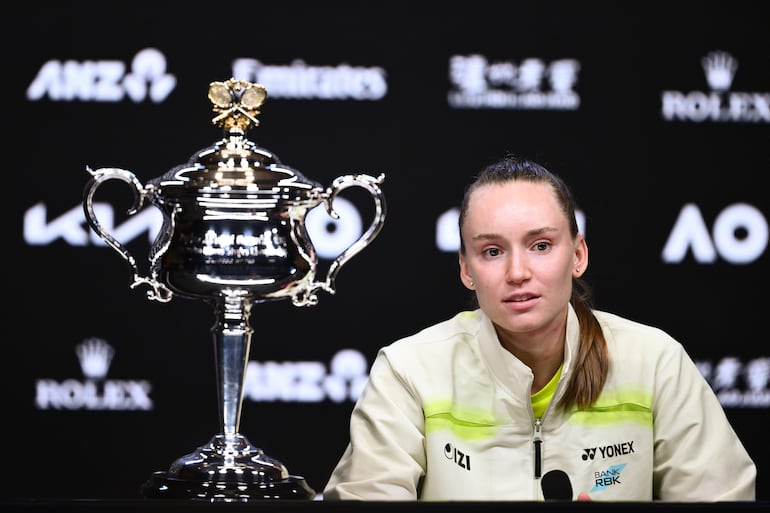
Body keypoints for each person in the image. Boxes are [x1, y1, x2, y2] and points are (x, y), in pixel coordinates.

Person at [322, 155, 756, 501]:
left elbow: (721, 497)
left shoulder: (655, 362)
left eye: (541, 245)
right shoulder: (409, 371)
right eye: (492, 251)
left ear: (578, 254)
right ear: (466, 270)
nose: (517, 272)